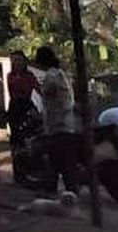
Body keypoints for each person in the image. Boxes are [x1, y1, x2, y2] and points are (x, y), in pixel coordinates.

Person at [33, 46, 86, 195]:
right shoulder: (62, 74)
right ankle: (68, 189)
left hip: (58, 123)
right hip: (68, 122)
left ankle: (62, 190)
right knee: (65, 160)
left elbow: (49, 96)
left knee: (58, 159)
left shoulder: (51, 76)